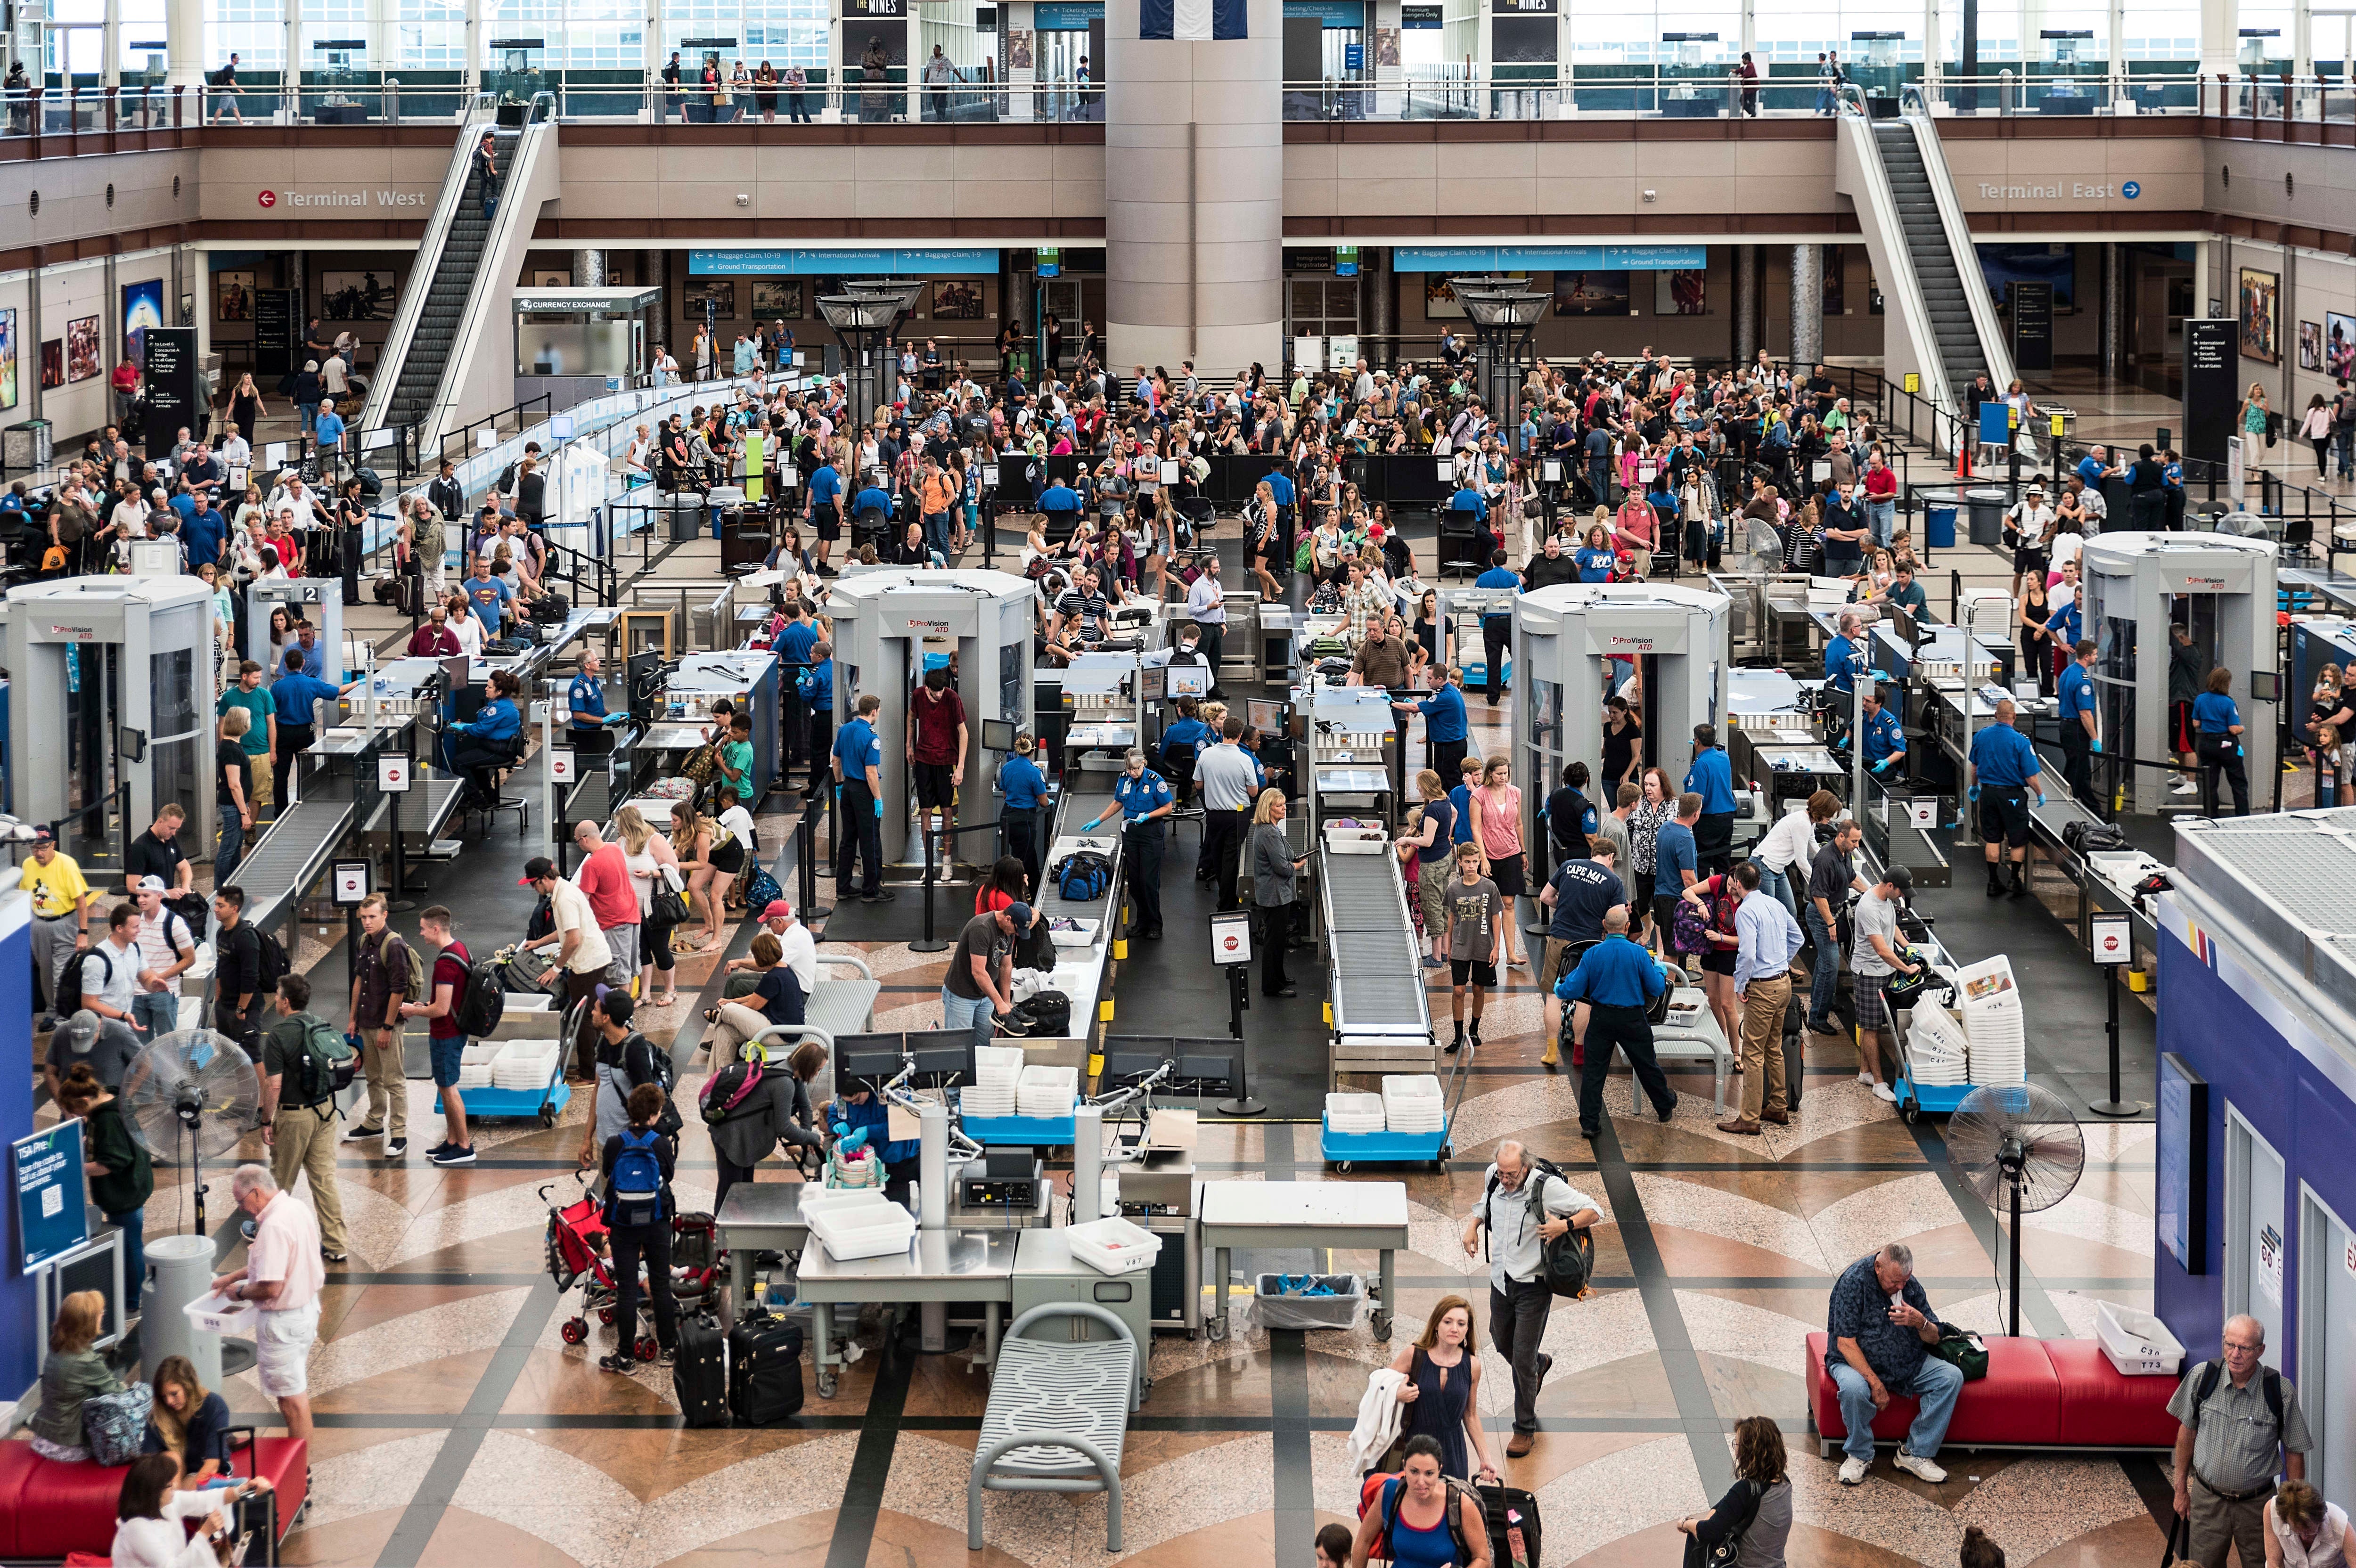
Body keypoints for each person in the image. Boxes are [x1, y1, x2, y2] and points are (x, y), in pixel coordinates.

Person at [1459, 1140, 1598, 1459]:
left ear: (1525, 1167)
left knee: (1521, 1358)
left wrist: (1562, 1225)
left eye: (1511, 1174)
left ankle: (1524, 1428)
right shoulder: (1494, 1175)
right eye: (1502, 1173)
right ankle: (1539, 1366)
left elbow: (1595, 1210)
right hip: (1501, 1281)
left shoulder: (1545, 1187)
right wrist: (1472, 1227)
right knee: (1499, 1340)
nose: (1505, 1179)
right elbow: (1486, 1202)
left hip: (1534, 1285)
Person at [2170, 1314, 2315, 1568]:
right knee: (2201, 1565)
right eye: (2229, 1345)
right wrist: (2180, 1488)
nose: (2235, 1354)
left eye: (2245, 1348)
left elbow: (2294, 1451)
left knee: (2264, 1564)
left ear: (2260, 1351)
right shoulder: (2201, 1378)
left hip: (2259, 1506)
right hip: (2208, 1501)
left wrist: (2292, 1508)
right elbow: (2186, 1434)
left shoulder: (2280, 1391)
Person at [1824, 1242, 1963, 1485]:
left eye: (1904, 1281)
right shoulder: (1853, 1283)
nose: (1900, 1287)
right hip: (1854, 1361)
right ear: (1878, 1267)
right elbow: (1845, 1343)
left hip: (1906, 1361)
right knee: (1855, 1389)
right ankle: (1859, 1454)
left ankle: (1915, 1453)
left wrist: (1920, 1323)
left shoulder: (1909, 1286)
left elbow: (1935, 1337)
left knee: (1950, 1377)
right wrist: (1875, 1384)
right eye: (1895, 1282)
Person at [210, 1166, 325, 1445]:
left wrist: (239, 1293)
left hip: (283, 1324)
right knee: (295, 1393)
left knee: (292, 1402)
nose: (241, 1209)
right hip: (306, 1311)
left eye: (240, 1201)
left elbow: (271, 1286)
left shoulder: (273, 1226)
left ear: (257, 1191)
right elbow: (276, 1264)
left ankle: (301, 1471)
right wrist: (232, 1276)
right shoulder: (296, 1208)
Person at [253, 973, 352, 1262]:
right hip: (326, 1111)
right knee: (324, 1180)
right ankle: (336, 1245)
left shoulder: (279, 1035)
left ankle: (271, 1242)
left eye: (277, 995)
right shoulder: (319, 1023)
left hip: (294, 1117)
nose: (275, 999)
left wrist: (266, 1120)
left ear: (285, 1002)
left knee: (280, 1182)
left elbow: (274, 1085)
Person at [1557, 904, 1676, 1136]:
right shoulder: (1638, 953)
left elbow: (1572, 988)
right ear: (1627, 926)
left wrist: (1559, 988)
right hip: (1632, 1018)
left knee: (1594, 1071)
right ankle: (1664, 1106)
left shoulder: (1592, 954)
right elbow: (1656, 987)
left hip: (1601, 1018)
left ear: (1604, 926)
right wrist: (1660, 971)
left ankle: (1590, 1124)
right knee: (1646, 1065)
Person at [597, 1082, 681, 1373]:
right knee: (660, 1284)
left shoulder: (614, 1143)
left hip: (623, 1224)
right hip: (656, 1222)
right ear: (655, 1115)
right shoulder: (660, 1143)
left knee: (627, 1288)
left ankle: (625, 1357)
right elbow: (668, 1175)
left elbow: (608, 1173)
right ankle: (669, 1350)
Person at [57, 1068, 151, 1313]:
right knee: (132, 1243)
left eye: (77, 1111)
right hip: (132, 1186)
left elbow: (112, 1163)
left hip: (124, 1193)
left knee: (131, 1246)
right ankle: (131, 1294)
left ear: (86, 1101)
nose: (77, 1117)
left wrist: (76, 1168)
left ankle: (132, 1301)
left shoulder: (108, 1120)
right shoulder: (111, 1098)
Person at [1387, 1296, 1500, 1484]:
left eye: (1461, 1324)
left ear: (1467, 1330)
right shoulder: (1414, 1355)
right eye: (1448, 1322)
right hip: (1414, 1445)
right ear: (1436, 1324)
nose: (1454, 1328)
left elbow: (1470, 1414)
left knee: (1450, 1506)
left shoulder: (1472, 1365)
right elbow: (1379, 1387)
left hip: (1452, 1450)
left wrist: (1485, 1458)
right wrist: (1397, 1394)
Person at [522, 855, 616, 1080]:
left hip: (587, 964)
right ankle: (594, 1066)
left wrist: (555, 968)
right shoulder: (563, 891)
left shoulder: (564, 899)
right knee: (594, 1014)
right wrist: (539, 942)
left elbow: (573, 939)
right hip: (594, 959)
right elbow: (565, 931)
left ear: (544, 879)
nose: (533, 888)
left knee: (585, 1018)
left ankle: (589, 1074)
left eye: (533, 884)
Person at [395, 906, 476, 1167]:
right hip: (456, 1030)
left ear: (436, 929)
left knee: (449, 1089)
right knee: (444, 1085)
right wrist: (423, 1006)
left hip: (446, 1033)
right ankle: (452, 1140)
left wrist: (412, 1011)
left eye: (423, 928)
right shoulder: (460, 949)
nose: (421, 933)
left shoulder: (444, 963)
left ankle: (464, 1146)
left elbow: (441, 1009)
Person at [709, 1039, 828, 1211]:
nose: (817, 1074)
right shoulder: (784, 1083)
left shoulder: (789, 1071)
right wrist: (813, 1138)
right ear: (808, 1065)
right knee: (730, 1190)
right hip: (731, 1135)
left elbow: (805, 1107)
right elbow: (784, 1128)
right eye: (818, 1070)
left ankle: (740, 1229)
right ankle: (719, 1231)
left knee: (745, 1188)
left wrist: (807, 1136)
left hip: (746, 1135)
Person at [1537, 842, 1627, 1064]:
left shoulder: (1568, 866)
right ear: (1612, 857)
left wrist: (1566, 906)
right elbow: (1617, 918)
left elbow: (1545, 897)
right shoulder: (1614, 881)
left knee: (1553, 994)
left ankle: (1551, 1053)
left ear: (1593, 853)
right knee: (1585, 1000)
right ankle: (1579, 1054)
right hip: (1590, 943)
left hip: (1560, 937)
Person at [340, 892, 414, 1160]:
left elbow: (399, 989)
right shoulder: (365, 941)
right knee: (373, 1077)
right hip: (366, 1022)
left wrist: (387, 1026)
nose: (367, 922)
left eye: (372, 917)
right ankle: (374, 1122)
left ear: (385, 915)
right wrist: (353, 1019)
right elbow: (359, 981)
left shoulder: (393, 945)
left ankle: (399, 1133)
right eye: (364, 918)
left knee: (394, 1080)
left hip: (386, 1025)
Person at [1675, 1415, 1794, 1568]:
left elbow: (1709, 1531)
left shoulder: (1747, 1490)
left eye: (1737, 1444)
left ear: (1749, 1451)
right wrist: (1715, 1511)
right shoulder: (1785, 1483)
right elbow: (1728, 1503)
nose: (1736, 1450)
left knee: (1696, 1538)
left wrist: (1686, 1523)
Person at [1081, 747, 1175, 940]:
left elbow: (1168, 808)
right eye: (1130, 769)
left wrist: (1148, 815)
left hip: (1150, 832)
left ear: (1143, 764)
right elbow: (1118, 802)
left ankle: (1155, 923)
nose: (1133, 773)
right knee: (1134, 882)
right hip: (1131, 832)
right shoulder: (1124, 779)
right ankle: (1141, 923)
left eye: (1136, 769)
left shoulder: (1156, 781)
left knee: (1149, 881)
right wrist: (1099, 820)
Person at [1848, 865, 1916, 1104]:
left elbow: (1892, 926)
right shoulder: (1868, 907)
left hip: (1884, 971)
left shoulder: (1886, 899)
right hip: (1869, 973)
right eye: (1901, 891)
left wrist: (1907, 946)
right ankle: (1878, 1082)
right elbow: (1881, 949)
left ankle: (1864, 1072)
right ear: (1890, 886)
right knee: (1871, 1027)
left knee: (1871, 1025)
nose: (1903, 895)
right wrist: (1906, 968)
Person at [1967, 697, 2048, 897]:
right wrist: (2040, 794)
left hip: (1989, 793)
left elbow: (1974, 767)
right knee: (2017, 839)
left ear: (1996, 716)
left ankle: (1993, 883)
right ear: (2014, 716)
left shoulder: (1982, 736)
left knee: (1992, 838)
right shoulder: (2021, 741)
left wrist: (1974, 787)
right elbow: (2030, 776)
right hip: (2012, 795)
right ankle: (2014, 880)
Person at [22, 826, 95, 1029]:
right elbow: (25, 896)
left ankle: (64, 1017)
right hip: (39, 924)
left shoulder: (67, 865)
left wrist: (83, 932)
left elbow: (81, 902)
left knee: (60, 973)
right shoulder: (28, 865)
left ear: (53, 845)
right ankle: (51, 1011)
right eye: (34, 848)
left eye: (43, 848)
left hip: (65, 923)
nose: (39, 853)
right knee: (45, 972)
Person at [1441, 843, 1505, 1055]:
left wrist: (1497, 947)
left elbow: (1496, 917)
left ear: (1480, 861)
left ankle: (1474, 1030)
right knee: (1459, 990)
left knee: (1479, 988)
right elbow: (1452, 917)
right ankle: (1458, 1036)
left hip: (1483, 946)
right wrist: (1448, 946)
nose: (1471, 866)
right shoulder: (1454, 889)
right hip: (1460, 946)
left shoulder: (1489, 887)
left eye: (1475, 861)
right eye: (1467, 862)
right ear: (1459, 862)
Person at [143, 1356, 238, 1488]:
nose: (169, 1401)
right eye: (164, 1396)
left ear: (189, 1387)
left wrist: (185, 1497)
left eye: (174, 1394)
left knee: (191, 1486)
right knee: (171, 1458)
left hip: (203, 1474)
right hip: (171, 1478)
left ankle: (176, 1503)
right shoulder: (158, 1416)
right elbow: (147, 1465)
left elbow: (213, 1464)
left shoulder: (214, 1406)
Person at [833, 692, 892, 903]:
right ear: (875, 711)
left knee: (848, 840)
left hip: (847, 788)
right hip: (864, 792)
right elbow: (871, 772)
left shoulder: (845, 730)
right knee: (871, 842)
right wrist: (877, 798)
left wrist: (839, 785)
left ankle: (843, 887)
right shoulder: (871, 737)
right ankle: (871, 891)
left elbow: (836, 760)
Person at [942, 902, 1023, 1050]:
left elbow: (1006, 967)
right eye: (1017, 930)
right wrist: (999, 1003)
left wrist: (1006, 1001)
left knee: (985, 1043)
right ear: (1008, 919)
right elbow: (978, 971)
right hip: (962, 996)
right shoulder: (981, 927)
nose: (1017, 934)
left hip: (986, 996)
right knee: (960, 1046)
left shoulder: (1009, 932)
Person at [571, 819, 641, 990]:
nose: (578, 845)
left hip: (613, 924)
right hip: (631, 916)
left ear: (584, 839)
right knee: (629, 971)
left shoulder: (592, 864)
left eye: (577, 841)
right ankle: (627, 1012)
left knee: (619, 976)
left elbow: (583, 899)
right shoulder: (614, 849)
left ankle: (621, 1016)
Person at [1249, 788, 1306, 998]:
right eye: (1279, 806)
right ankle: (1272, 986)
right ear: (1268, 808)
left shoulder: (1269, 830)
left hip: (1274, 893)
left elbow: (1285, 856)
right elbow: (1283, 867)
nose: (1284, 809)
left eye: (1283, 805)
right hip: (1275, 895)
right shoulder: (1270, 833)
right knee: (1273, 942)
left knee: (1279, 939)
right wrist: (1297, 866)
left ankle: (1279, 977)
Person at [908, 666, 969, 852]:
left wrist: (960, 768)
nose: (940, 696)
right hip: (924, 759)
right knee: (925, 810)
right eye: (936, 693)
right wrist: (908, 746)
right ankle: (928, 861)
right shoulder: (918, 695)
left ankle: (947, 857)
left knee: (947, 810)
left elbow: (963, 733)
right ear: (927, 689)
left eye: (942, 691)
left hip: (946, 760)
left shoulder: (952, 697)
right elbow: (912, 716)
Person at [1404, 770, 1457, 969]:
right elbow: (1455, 813)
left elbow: (1427, 841)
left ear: (1426, 787)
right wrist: (1447, 836)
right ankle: (1444, 951)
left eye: (1419, 785)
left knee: (1431, 906)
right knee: (1443, 904)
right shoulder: (1445, 801)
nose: (1417, 788)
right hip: (1445, 859)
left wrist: (1406, 839)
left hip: (1432, 865)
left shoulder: (1433, 809)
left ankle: (1435, 956)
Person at [1395, 666, 1469, 786]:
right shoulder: (1452, 691)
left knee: (1448, 782)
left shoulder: (1444, 697)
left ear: (1440, 679)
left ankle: (1449, 805)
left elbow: (1416, 708)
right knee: (1450, 780)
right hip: (1455, 744)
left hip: (1449, 747)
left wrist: (1392, 703)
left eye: (1430, 678)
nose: (1427, 681)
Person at [2195, 666, 2252, 818]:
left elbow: (2195, 723)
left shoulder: (2200, 699)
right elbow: (2234, 729)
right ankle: (2242, 816)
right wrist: (2243, 728)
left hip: (2207, 744)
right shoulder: (2228, 703)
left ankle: (2211, 815)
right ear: (2226, 683)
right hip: (2227, 744)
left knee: (2210, 783)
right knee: (2238, 782)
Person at [1685, 725, 1739, 876]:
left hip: (1708, 820)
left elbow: (1695, 796)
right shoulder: (1724, 757)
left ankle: (1703, 898)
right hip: (1727, 818)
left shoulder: (1701, 764)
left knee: (1702, 863)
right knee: (1723, 862)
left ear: (1696, 741)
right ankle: (1724, 896)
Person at [997, 734, 1048, 894]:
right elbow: (1044, 802)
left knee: (1028, 855)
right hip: (1024, 822)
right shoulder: (1034, 773)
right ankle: (1013, 898)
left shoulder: (1007, 767)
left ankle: (1036, 888)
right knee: (1020, 864)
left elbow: (1005, 795)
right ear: (1033, 751)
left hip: (1007, 817)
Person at [1652, 792, 1702, 950]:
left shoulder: (1666, 827)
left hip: (1660, 895)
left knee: (1673, 948)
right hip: (1675, 900)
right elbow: (1688, 878)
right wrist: (1701, 897)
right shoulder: (1685, 838)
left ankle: (1678, 976)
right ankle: (1669, 977)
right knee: (1674, 951)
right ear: (1696, 814)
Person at [2263, 1481, 2352, 1568]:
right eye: (2298, 1532)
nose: (2304, 1537)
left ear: (2320, 1520)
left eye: (2309, 1532)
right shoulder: (2273, 1512)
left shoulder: (2339, 1523)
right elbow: (2274, 1564)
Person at [2056, 638, 2100, 810]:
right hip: (2076, 729)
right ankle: (2068, 807)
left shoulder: (2068, 672)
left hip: (2066, 726)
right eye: (2095, 655)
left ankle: (2092, 808)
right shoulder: (2083, 681)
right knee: (2076, 772)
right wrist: (2095, 738)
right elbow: (2085, 714)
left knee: (2081, 770)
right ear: (2087, 656)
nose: (2096, 658)